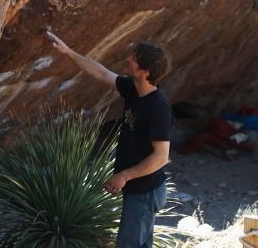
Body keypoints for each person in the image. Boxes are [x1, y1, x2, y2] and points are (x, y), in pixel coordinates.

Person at [48, 31, 173, 248]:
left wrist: (124, 175)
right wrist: (69, 52)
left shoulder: (158, 108)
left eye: (133, 58)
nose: (128, 59)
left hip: (145, 191)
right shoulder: (134, 90)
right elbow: (101, 73)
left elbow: (161, 157)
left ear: (145, 71)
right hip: (138, 189)